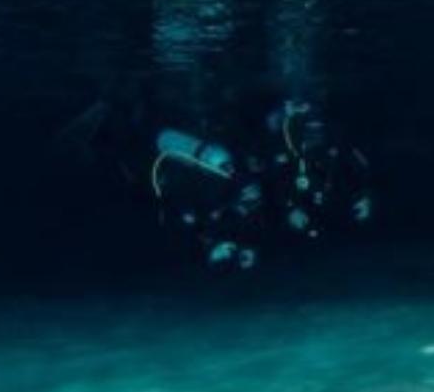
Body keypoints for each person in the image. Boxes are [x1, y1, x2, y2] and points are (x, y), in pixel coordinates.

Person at [149, 128, 264, 271]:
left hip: (189, 183)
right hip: (206, 174)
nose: (226, 252)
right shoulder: (239, 226)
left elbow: (180, 206)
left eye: (219, 256)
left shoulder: (195, 233)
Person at [263, 99, 373, 241]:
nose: (315, 135)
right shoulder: (288, 149)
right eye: (309, 130)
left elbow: (361, 170)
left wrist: (365, 197)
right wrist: (289, 209)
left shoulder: (337, 143)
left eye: (318, 128)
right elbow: (276, 183)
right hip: (303, 214)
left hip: (341, 212)